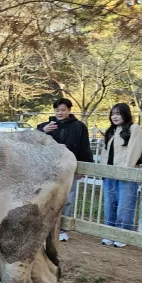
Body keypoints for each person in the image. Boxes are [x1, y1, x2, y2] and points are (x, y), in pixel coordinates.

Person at [37, 98, 93, 241]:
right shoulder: (46, 125)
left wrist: (83, 167)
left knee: (67, 197)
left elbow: (84, 146)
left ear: (69, 110)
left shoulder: (79, 126)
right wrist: (42, 131)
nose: (60, 113)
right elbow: (32, 140)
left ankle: (62, 228)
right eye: (57, 110)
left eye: (63, 110)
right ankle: (44, 227)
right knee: (47, 196)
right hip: (48, 167)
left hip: (69, 167)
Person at [101, 103, 142, 248]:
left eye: (118, 113)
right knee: (109, 205)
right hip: (110, 173)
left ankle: (122, 234)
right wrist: (103, 171)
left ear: (125, 114)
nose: (115, 116)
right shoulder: (111, 131)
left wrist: (126, 171)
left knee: (125, 206)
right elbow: (105, 153)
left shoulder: (134, 128)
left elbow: (133, 150)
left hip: (126, 174)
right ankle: (109, 233)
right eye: (113, 113)